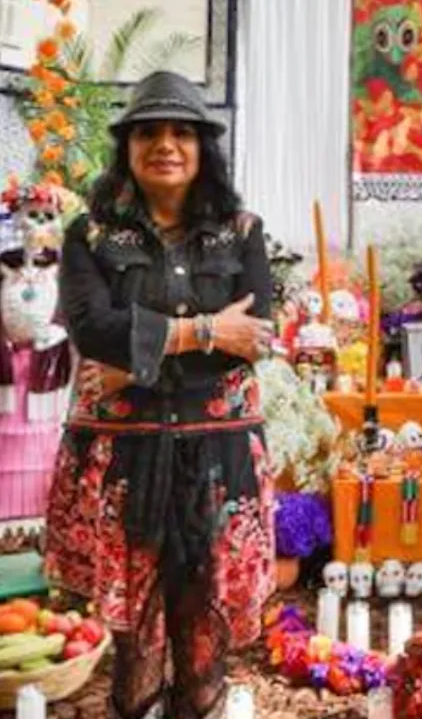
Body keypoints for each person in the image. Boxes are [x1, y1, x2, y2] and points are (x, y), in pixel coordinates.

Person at [43, 71, 276, 719]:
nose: (165, 144)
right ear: (129, 147)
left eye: (181, 132)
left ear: (203, 146)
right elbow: (92, 328)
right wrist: (205, 330)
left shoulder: (242, 231)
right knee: (136, 651)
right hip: (122, 463)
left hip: (218, 463)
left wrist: (134, 363)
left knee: (204, 644)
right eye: (149, 132)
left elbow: (253, 337)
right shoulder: (88, 235)